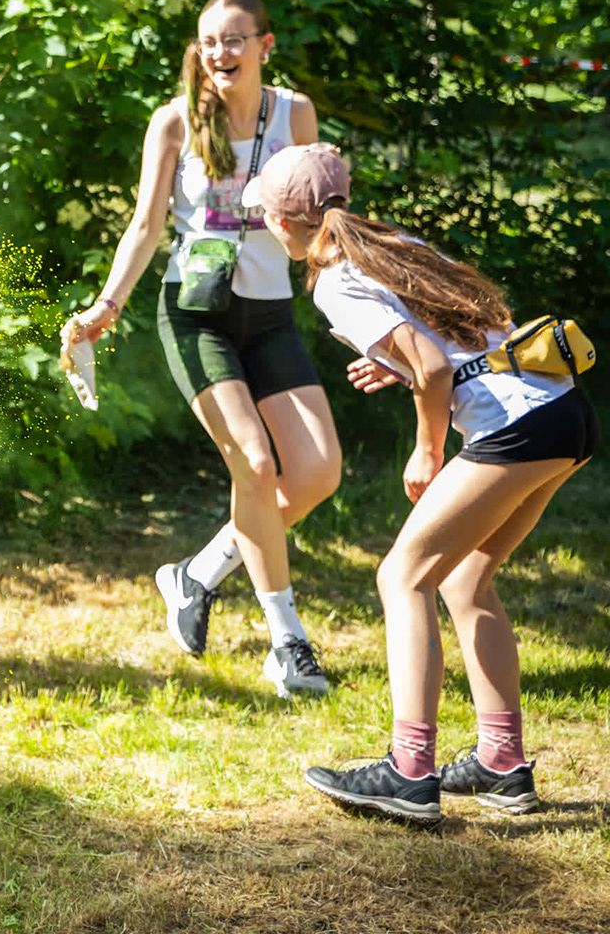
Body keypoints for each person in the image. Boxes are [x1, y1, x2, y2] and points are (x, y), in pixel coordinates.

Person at [250, 145, 599, 823]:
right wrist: (402, 364)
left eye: (264, 213)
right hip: (563, 410)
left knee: (402, 577)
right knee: (466, 581)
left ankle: (410, 773)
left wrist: (427, 449)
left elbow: (435, 368)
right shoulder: (390, 244)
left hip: (515, 427)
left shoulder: (334, 280)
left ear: (284, 222)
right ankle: (502, 763)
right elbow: (455, 342)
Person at [63, 0, 341, 697]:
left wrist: (362, 311)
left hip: (270, 313)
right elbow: (145, 225)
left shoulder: (295, 114)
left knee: (317, 472)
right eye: (210, 40)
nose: (221, 52)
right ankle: (288, 643)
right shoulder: (175, 121)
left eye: (235, 39)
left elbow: (320, 221)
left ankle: (198, 573)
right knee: (256, 463)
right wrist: (105, 307)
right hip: (195, 314)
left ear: (264, 46)